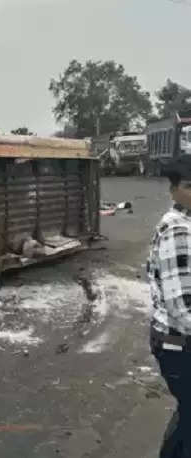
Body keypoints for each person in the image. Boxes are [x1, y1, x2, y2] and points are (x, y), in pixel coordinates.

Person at [148, 160, 191, 457]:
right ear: (174, 189)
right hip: (178, 342)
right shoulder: (177, 229)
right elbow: (182, 307)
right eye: (189, 187)